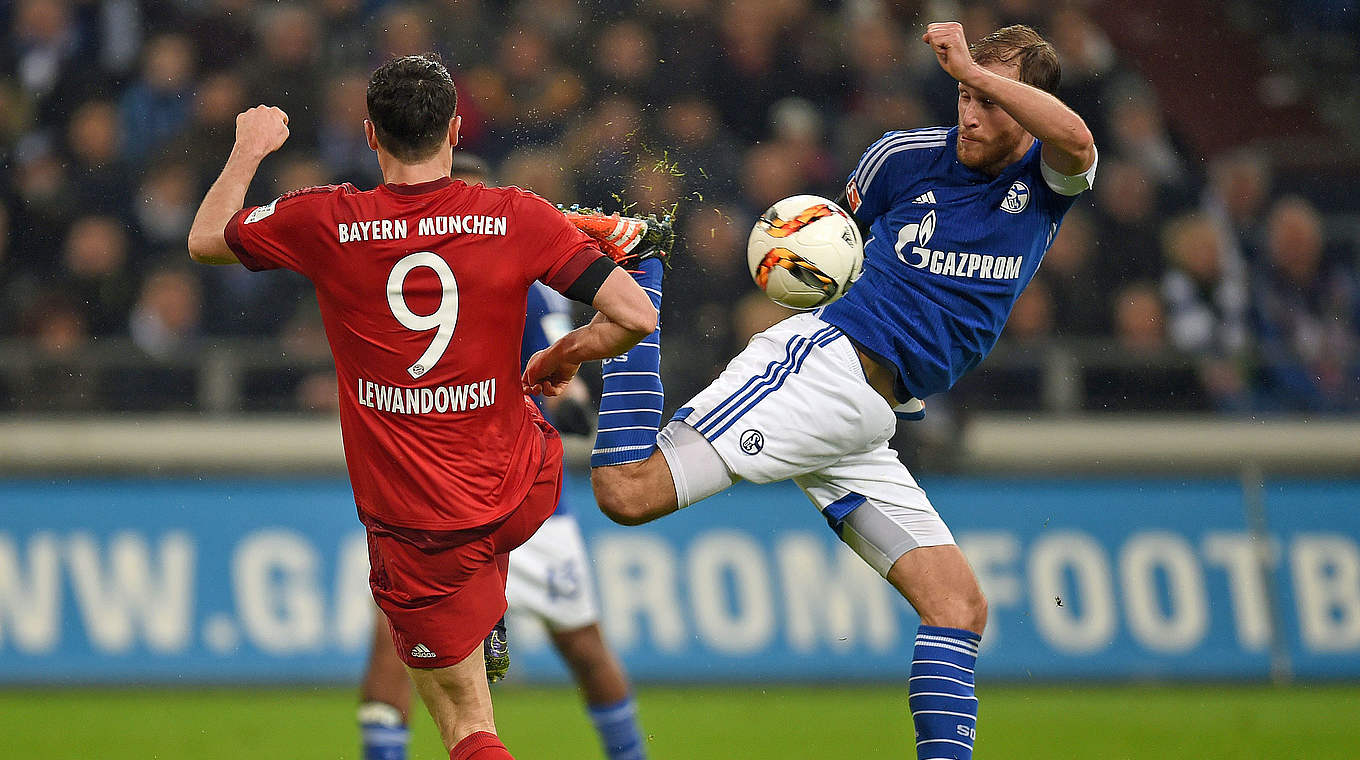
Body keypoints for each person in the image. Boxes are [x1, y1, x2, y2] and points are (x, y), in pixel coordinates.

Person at [525, 22, 1096, 760]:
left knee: (958, 606)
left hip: (869, 423)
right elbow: (825, 248)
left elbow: (1079, 140)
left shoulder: (1045, 181)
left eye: (991, 98)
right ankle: (642, 266)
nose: (972, 113)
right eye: (963, 94)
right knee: (626, 492)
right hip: (822, 369)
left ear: (1026, 104)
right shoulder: (903, 158)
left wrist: (985, 77)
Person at [187, 54, 663, 760]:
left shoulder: (324, 219)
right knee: (519, 443)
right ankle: (489, 606)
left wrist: (249, 147)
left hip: (418, 525)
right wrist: (562, 358)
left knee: (467, 723)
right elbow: (634, 315)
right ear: (455, 127)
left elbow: (204, 239)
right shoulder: (513, 214)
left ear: (370, 135)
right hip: (524, 484)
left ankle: (480, 616)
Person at [356, 155, 649, 760]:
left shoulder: (405, 275)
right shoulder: (514, 268)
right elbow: (574, 392)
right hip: (487, 488)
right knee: (406, 651)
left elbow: (569, 398)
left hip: (459, 492)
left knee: (578, 649)